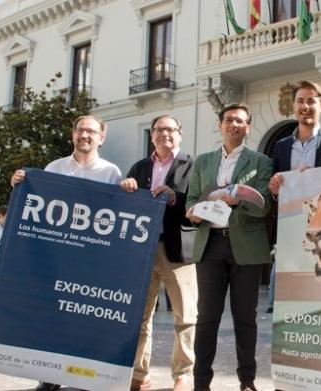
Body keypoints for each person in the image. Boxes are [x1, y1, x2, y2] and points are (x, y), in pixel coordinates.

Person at [11, 114, 121, 391]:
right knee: (53, 320)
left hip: (92, 261)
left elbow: (119, 212)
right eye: (81, 131)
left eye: (91, 132)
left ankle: (82, 377)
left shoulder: (111, 172)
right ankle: (49, 377)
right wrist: (19, 184)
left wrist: (130, 190)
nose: (85, 135)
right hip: (57, 258)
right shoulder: (54, 167)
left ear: (101, 138)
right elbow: (37, 203)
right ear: (73, 135)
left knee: (86, 319)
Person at [185, 103, 272, 391]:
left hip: (245, 248)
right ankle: (201, 383)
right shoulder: (203, 161)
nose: (234, 124)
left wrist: (238, 201)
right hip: (210, 246)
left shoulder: (261, 161)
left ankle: (247, 381)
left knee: (245, 319)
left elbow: (264, 207)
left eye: (240, 121)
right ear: (220, 125)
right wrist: (193, 211)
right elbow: (191, 200)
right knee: (206, 318)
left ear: (248, 127)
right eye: (229, 120)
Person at [120, 115, 196, 391]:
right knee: (139, 316)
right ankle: (139, 374)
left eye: (170, 129)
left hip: (179, 250)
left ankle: (183, 375)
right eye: (159, 129)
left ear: (180, 133)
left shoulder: (193, 165)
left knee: (185, 316)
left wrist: (175, 197)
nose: (165, 133)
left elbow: (199, 206)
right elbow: (126, 208)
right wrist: (127, 189)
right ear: (152, 135)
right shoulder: (139, 167)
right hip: (142, 250)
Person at [266, 80, 321, 313]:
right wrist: (274, 188)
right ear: (293, 106)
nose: (305, 106)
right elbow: (275, 188)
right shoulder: (282, 147)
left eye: (311, 101)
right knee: (291, 292)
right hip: (291, 228)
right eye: (300, 101)